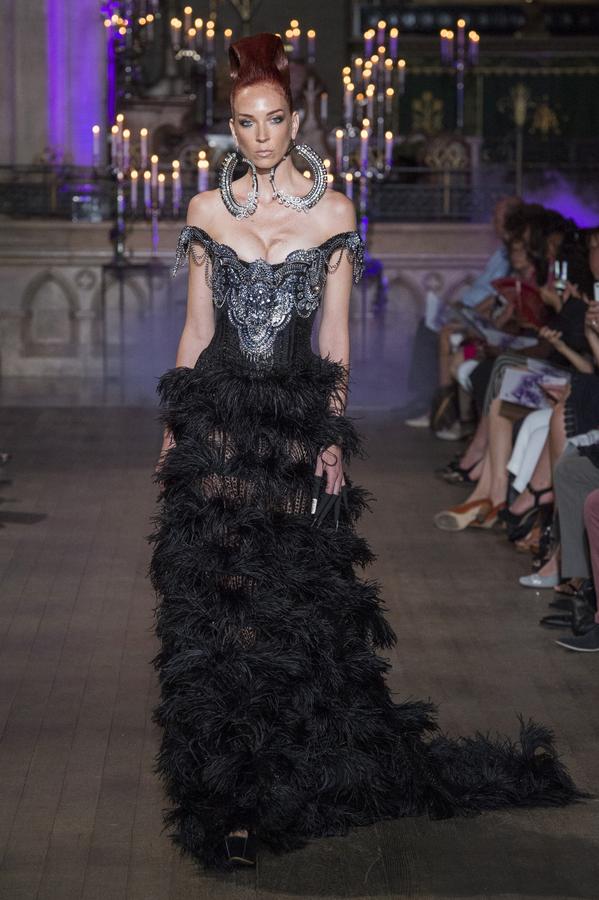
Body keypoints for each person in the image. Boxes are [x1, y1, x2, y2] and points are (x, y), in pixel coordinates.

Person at [149, 32, 582, 873]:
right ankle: (228, 797)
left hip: (294, 422)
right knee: (218, 606)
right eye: (245, 122)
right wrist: (173, 430)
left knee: (289, 604)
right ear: (230, 125)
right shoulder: (205, 211)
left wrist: (331, 435)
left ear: (297, 119)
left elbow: (336, 340)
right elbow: (197, 332)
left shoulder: (334, 214)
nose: (261, 135)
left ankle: (285, 778)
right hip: (218, 420)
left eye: (274, 118)